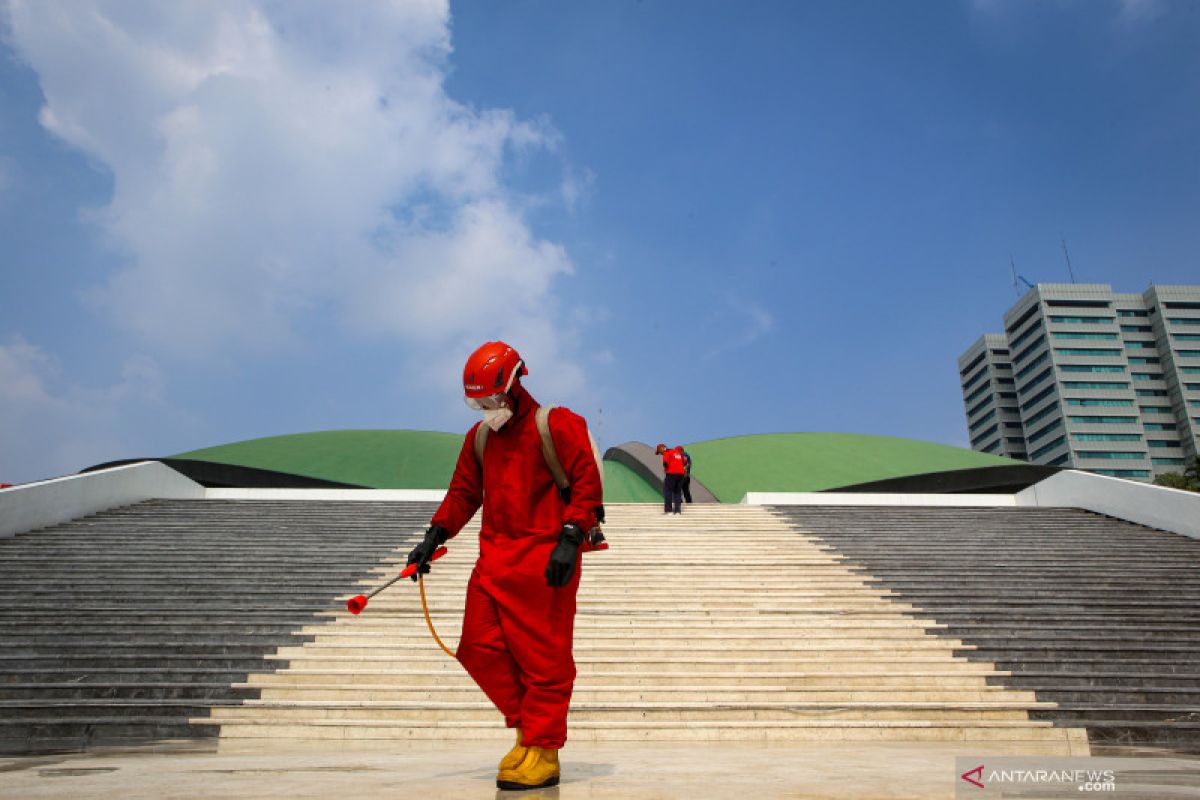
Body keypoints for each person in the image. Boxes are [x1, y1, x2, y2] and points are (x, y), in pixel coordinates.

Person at [407, 341, 603, 792]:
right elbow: (462, 494)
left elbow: (586, 482)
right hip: (493, 560)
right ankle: (527, 730)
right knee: (477, 648)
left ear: (515, 385)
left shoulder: (556, 424)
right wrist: (435, 535)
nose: (485, 408)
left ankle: (545, 751)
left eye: (491, 399)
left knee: (544, 661)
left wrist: (571, 538)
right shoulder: (479, 438)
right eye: (477, 402)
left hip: (543, 560)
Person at [657, 442, 686, 514]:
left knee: (667, 490)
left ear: (662, 448)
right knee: (677, 492)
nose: (660, 454)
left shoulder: (666, 452)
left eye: (659, 452)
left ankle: (668, 510)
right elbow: (684, 461)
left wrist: (666, 469)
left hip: (672, 473)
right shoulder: (677, 452)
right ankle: (677, 511)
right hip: (681, 474)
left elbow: (665, 462)